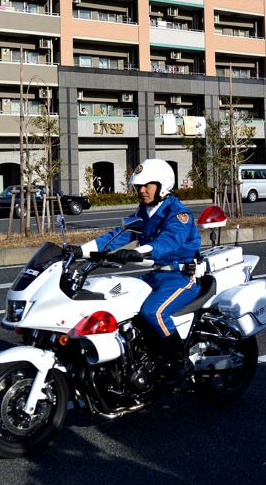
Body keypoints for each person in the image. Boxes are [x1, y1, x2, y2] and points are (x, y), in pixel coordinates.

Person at [79, 158, 201, 383]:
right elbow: (118, 235)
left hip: (180, 276)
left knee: (153, 312)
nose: (142, 190)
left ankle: (181, 362)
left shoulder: (178, 213)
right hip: (154, 275)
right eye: (139, 186)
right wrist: (81, 251)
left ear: (162, 184)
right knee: (118, 302)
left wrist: (138, 252)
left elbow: (169, 242)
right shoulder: (144, 212)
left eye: (147, 185)